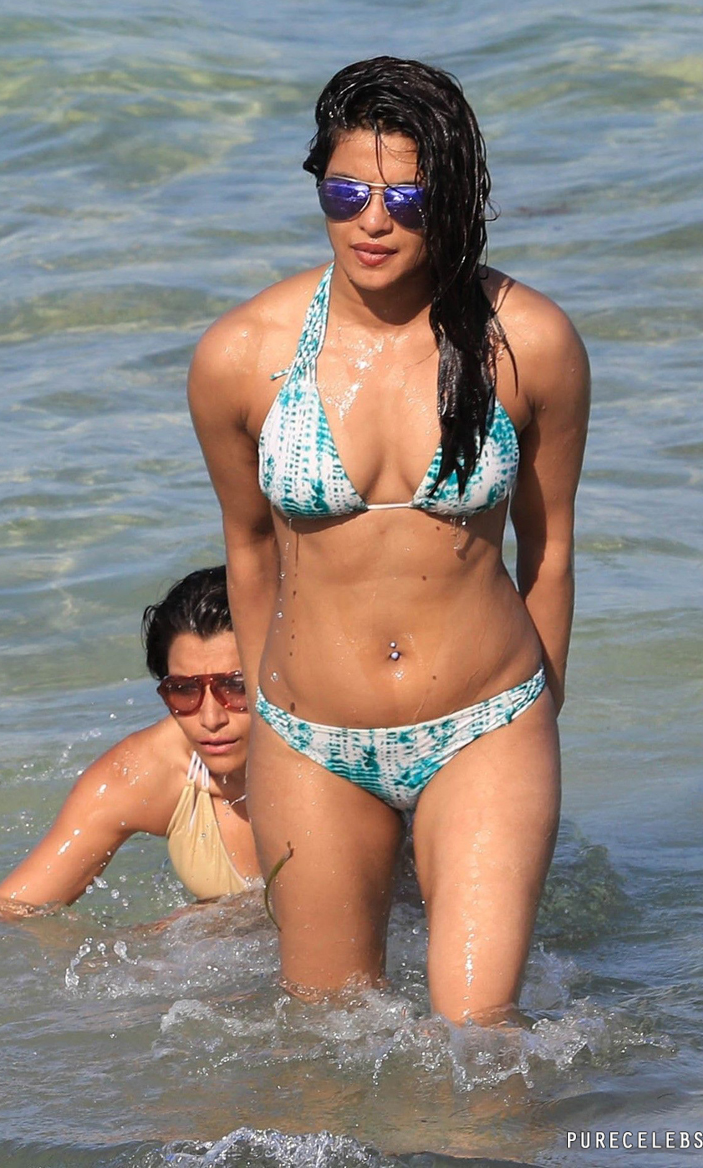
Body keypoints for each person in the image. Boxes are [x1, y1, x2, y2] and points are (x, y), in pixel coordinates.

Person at [189, 57, 590, 1025]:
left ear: (452, 198)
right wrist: (270, 722)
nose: (372, 221)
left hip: (485, 724)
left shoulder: (527, 342)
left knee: (482, 1041)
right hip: (310, 739)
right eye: (345, 193)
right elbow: (250, 553)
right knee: (327, 1048)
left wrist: (539, 717)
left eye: (404, 199)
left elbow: (547, 550)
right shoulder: (242, 355)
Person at [0, 566, 259, 919]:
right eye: (184, 690)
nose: (210, 718)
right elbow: (4, 912)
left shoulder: (325, 756)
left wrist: (224, 919)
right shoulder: (147, 773)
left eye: (236, 687)